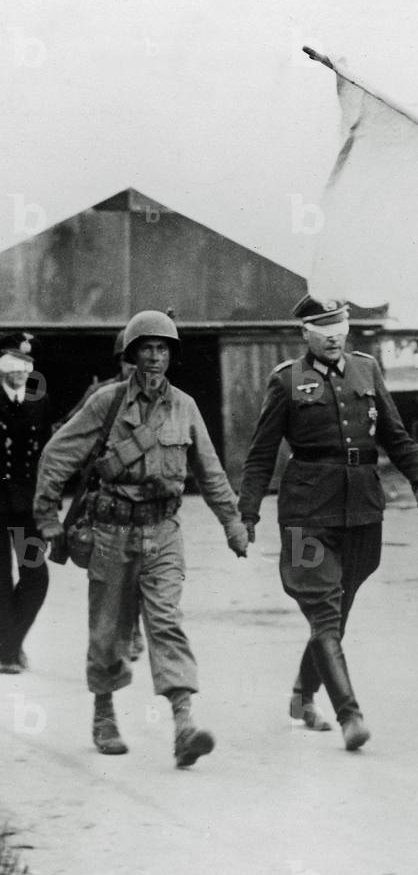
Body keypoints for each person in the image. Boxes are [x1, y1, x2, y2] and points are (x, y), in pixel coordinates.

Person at [34, 311, 249, 766]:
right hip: (112, 531)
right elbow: (57, 456)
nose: (154, 357)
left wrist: (232, 524)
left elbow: (210, 471)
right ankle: (105, 711)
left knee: (166, 620)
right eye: (146, 349)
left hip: (164, 532)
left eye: (163, 349)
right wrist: (48, 519)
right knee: (109, 630)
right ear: (131, 356)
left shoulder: (186, 407)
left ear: (172, 356)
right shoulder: (106, 403)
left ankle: (184, 722)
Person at [239, 295, 418, 752]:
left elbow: (394, 434)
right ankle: (350, 715)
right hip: (307, 514)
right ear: (304, 334)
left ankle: (301, 696)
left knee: (337, 610)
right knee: (326, 611)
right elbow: (261, 454)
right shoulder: (287, 381)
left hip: (361, 508)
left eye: (339, 323)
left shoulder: (367, 370)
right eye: (321, 326)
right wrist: (247, 512)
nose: (332, 333)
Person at [58, 328, 146, 663]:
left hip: (141, 498)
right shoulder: (101, 393)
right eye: (126, 361)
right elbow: (70, 429)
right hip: (101, 499)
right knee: (105, 573)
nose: (131, 368)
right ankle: (108, 642)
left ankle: (133, 628)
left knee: (138, 571)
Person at [0, 332, 50, 674]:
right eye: (14, 363)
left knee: (36, 576)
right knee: (1, 579)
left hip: (27, 508)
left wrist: (48, 504)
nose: (21, 371)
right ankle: (7, 654)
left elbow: (48, 456)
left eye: (27, 364)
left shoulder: (38, 400)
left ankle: (9, 643)